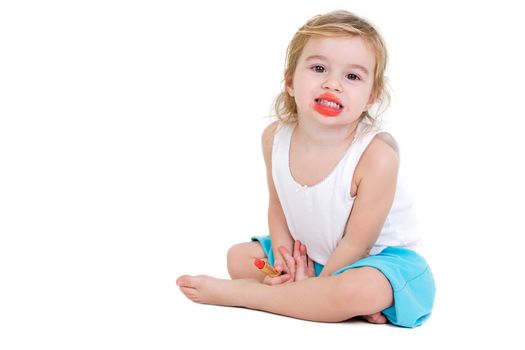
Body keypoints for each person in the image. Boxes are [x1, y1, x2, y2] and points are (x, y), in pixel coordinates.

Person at [176, 10, 435, 328]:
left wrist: (315, 284)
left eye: (352, 77)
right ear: (290, 81)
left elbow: (357, 244)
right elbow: (277, 205)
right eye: (318, 68)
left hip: (379, 260)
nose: (332, 83)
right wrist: (286, 264)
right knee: (238, 258)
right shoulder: (274, 138)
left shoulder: (376, 156)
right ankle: (316, 301)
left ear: (372, 97)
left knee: (358, 289)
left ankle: (247, 296)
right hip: (313, 255)